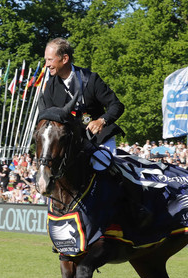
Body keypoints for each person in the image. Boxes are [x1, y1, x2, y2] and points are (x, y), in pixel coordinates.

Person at [41, 37, 153, 226]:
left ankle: (136, 207)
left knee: (103, 164)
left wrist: (102, 120)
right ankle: (63, 222)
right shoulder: (50, 86)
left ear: (65, 59)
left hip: (99, 138)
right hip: (74, 142)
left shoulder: (90, 79)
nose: (47, 65)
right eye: (46, 60)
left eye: (50, 60)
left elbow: (117, 105)